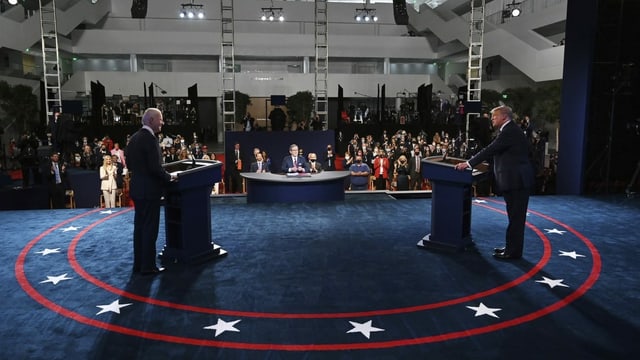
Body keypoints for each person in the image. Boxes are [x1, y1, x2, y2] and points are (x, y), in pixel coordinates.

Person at [454, 105, 534, 260]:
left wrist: (469, 163)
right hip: (516, 181)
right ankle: (512, 248)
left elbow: (490, 149)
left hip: (517, 181)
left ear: (504, 116)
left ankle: (513, 252)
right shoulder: (509, 130)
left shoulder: (510, 131)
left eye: (494, 116)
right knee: (514, 217)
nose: (491, 119)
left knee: (516, 218)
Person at [125, 107, 177, 275]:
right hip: (150, 192)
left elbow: (131, 165)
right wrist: (170, 178)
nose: (162, 122)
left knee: (139, 228)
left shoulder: (133, 139)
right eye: (160, 119)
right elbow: (155, 168)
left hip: (138, 190)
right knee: (149, 229)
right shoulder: (150, 139)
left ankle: (139, 265)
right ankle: (148, 267)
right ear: (151, 120)